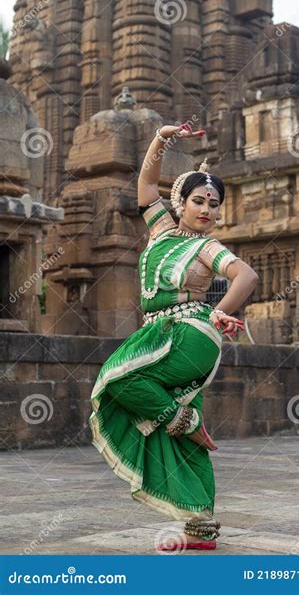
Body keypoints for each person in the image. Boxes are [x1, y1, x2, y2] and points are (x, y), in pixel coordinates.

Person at [89, 122, 259, 551]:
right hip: (158, 331)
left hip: (189, 331)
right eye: (199, 201)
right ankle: (199, 528)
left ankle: (189, 422)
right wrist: (160, 140)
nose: (207, 210)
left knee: (119, 379)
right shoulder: (161, 231)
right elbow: (146, 183)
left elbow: (246, 275)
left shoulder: (207, 247)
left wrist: (221, 313)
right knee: (173, 429)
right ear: (180, 203)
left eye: (214, 204)